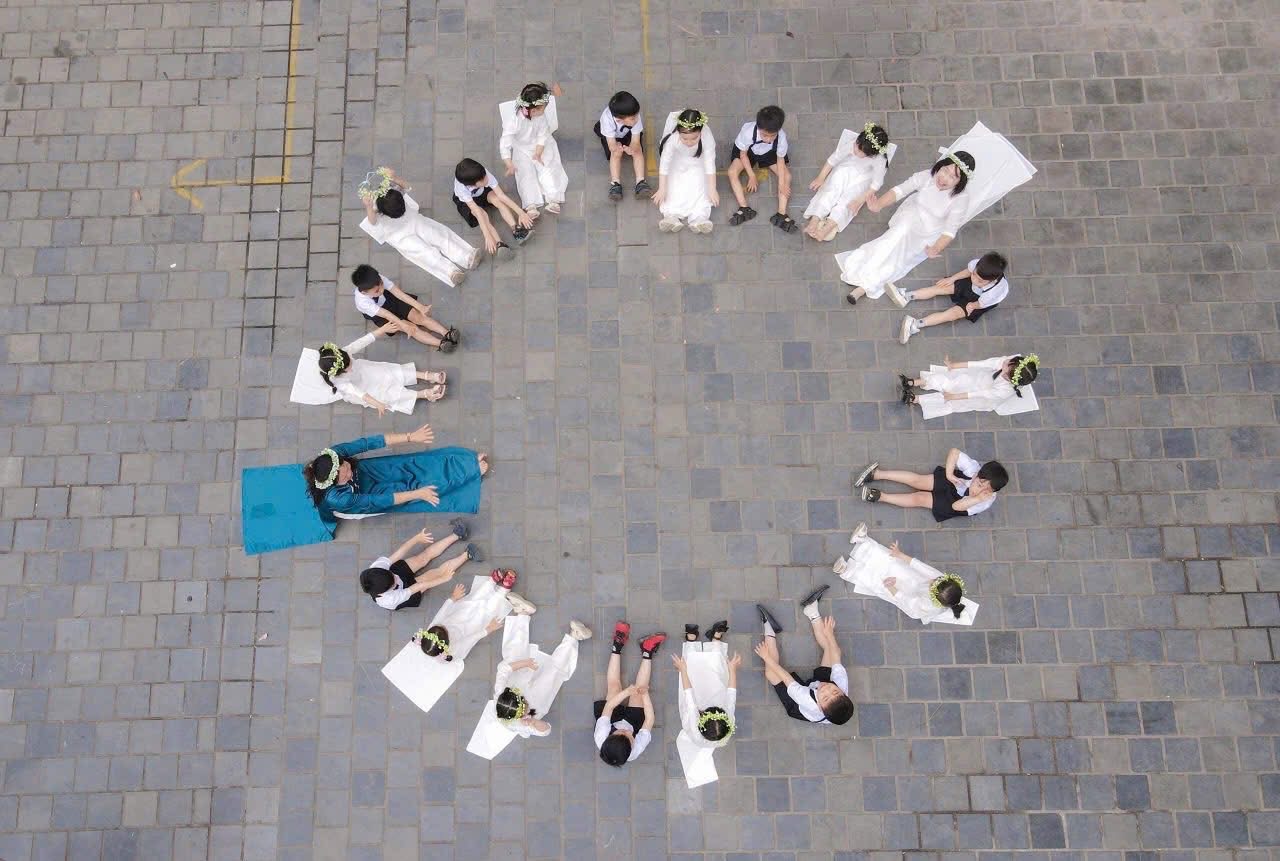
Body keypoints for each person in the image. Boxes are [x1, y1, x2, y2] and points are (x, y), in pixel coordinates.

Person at [381, 572, 535, 716]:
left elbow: (441, 614)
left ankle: (490, 582)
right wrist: (487, 629)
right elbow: (471, 639)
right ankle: (501, 592)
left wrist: (452, 599)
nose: (440, 626)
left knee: (471, 603)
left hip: (457, 616)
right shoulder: (453, 648)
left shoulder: (434, 629)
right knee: (484, 614)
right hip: (468, 630)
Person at [838, 150, 976, 306]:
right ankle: (862, 272)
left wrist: (936, 248)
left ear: (960, 182)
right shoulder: (928, 176)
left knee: (899, 257)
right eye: (945, 170)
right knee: (893, 238)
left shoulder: (961, 199)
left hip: (928, 232)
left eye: (953, 177)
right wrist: (878, 205)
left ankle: (864, 287)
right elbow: (900, 190)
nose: (944, 178)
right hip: (911, 215)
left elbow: (950, 231)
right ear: (941, 165)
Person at [465, 615, 592, 759]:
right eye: (524, 707)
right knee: (554, 674)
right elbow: (546, 730)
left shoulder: (500, 694)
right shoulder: (520, 724)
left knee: (514, 658)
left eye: (522, 701)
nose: (525, 704)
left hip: (520, 682)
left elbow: (504, 669)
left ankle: (522, 616)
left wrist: (525, 663)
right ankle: (574, 638)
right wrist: (532, 722)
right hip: (538, 702)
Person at [302, 425, 489, 520]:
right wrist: (418, 494)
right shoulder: (339, 498)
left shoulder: (334, 454)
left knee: (410, 465)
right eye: (345, 476)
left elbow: (369, 443)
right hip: (364, 496)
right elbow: (380, 501)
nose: (349, 472)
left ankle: (465, 462)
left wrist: (410, 437)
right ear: (335, 482)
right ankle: (470, 473)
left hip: (366, 471)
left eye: (347, 467)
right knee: (415, 489)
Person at [833, 522, 978, 625]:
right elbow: (921, 567)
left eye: (933, 583)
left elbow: (904, 599)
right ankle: (863, 542)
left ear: (934, 596)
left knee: (880, 584)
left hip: (911, 598)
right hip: (917, 582)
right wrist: (899, 554)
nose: (932, 580)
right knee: (895, 563)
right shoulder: (940, 580)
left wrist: (891, 587)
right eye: (936, 580)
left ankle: (848, 571)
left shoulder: (927, 606)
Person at [357, 167, 480, 288]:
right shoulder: (377, 208)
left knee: (437, 236)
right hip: (400, 236)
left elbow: (406, 187)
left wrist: (394, 178)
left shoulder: (393, 193)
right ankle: (450, 272)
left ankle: (466, 257)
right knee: (424, 252)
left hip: (414, 221)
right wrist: (369, 207)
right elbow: (372, 222)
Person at [753, 587, 854, 725]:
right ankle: (812, 611)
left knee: (771, 673)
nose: (827, 690)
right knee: (830, 648)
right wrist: (829, 634)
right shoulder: (840, 683)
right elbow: (836, 653)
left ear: (820, 708)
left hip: (798, 706)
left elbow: (786, 678)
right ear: (842, 692)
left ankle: (769, 629)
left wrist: (766, 657)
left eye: (826, 698)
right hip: (817, 689)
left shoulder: (806, 700)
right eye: (835, 692)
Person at [852, 450, 1007, 522]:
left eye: (985, 490)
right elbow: (954, 453)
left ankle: (880, 497)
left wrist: (977, 498)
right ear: (978, 474)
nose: (979, 490)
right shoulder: (973, 469)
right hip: (954, 481)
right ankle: (876, 474)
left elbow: (957, 506)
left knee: (919, 498)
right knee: (918, 481)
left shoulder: (984, 501)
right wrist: (949, 474)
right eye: (979, 484)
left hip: (957, 503)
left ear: (992, 491)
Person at [315, 332, 447, 416]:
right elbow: (361, 394)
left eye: (349, 361)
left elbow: (361, 342)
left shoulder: (344, 354)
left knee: (389, 371)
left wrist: (382, 329)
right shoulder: (340, 383)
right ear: (340, 372)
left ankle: (425, 376)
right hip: (362, 387)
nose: (351, 364)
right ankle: (424, 394)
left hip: (365, 370)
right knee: (388, 394)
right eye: (348, 366)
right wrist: (377, 404)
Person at [673, 621, 739, 788]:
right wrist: (732, 669)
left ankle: (691, 644)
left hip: (695, 705)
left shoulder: (694, 725)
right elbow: (731, 694)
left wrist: (682, 669)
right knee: (719, 675)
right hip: (717, 699)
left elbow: (689, 695)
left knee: (692, 674)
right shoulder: (726, 724)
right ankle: (715, 642)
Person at [892, 252, 1011, 343]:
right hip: (968, 286)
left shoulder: (995, 292)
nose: (974, 279)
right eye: (974, 274)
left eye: (980, 280)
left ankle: (915, 324)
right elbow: (968, 271)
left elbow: (982, 303)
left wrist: (972, 305)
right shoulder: (978, 265)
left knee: (952, 314)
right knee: (941, 287)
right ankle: (906, 296)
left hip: (978, 302)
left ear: (992, 280)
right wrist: (952, 278)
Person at [359, 520, 478, 610]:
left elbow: (399, 553)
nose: (396, 577)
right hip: (406, 592)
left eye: (392, 575)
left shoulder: (377, 569)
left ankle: (458, 534)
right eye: (393, 581)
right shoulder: (390, 599)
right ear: (388, 588)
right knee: (434, 574)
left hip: (395, 578)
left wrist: (417, 538)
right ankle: (467, 555)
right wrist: (443, 579)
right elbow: (421, 585)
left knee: (422, 557)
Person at [802, 122, 891, 242]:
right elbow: (834, 159)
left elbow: (876, 185)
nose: (854, 148)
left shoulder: (879, 160)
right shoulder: (856, 143)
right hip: (847, 167)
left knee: (849, 201)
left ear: (870, 155)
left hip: (864, 178)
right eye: (856, 144)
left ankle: (827, 227)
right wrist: (821, 177)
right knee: (831, 188)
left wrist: (859, 200)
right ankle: (815, 219)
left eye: (859, 151)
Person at [594, 622, 666, 766]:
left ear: (608, 738)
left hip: (613, 718)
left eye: (619, 733)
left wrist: (626, 692)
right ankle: (647, 651)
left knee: (614, 687)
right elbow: (649, 720)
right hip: (634, 723)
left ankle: (617, 644)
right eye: (628, 736)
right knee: (640, 692)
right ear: (632, 745)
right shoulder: (635, 750)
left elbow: (609, 707)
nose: (625, 731)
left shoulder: (601, 736)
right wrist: (645, 695)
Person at [349, 264, 458, 351]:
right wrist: (402, 325)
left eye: (382, 284)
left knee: (417, 317)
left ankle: (446, 332)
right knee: (411, 328)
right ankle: (441, 344)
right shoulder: (362, 302)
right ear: (364, 292)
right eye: (377, 291)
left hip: (389, 299)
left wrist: (420, 307)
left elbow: (399, 294)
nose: (382, 289)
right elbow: (386, 314)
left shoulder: (377, 280)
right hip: (379, 314)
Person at [499, 81, 569, 215]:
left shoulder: (540, 116)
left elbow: (543, 134)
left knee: (549, 166)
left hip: (540, 145)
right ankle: (531, 204)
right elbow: (505, 143)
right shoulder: (514, 121)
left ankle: (553, 198)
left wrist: (538, 152)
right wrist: (509, 163)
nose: (545, 110)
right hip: (521, 148)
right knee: (525, 173)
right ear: (533, 110)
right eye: (543, 108)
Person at [900, 353, 1040, 419]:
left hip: (982, 396)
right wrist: (954, 365)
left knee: (949, 400)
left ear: (1010, 378)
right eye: (1008, 362)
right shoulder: (1009, 362)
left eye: (1006, 368)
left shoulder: (1004, 391)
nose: (1005, 362)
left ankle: (916, 399)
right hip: (980, 378)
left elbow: (979, 394)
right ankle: (914, 382)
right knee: (951, 379)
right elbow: (983, 364)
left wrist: (954, 397)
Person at [727, 105, 796, 233]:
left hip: (769, 153)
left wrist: (781, 184)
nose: (768, 139)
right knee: (732, 172)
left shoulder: (781, 137)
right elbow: (743, 154)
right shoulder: (748, 132)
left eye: (772, 136)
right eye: (764, 135)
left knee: (787, 176)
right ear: (758, 127)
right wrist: (751, 175)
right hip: (748, 152)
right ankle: (744, 208)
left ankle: (781, 214)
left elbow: (780, 160)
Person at [452, 157, 534, 259]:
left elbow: (501, 195)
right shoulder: (461, 189)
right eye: (482, 179)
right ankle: (499, 243)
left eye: (485, 176)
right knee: (482, 214)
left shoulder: (482, 174)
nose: (486, 179)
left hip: (481, 191)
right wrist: (487, 236)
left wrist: (521, 212)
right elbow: (477, 212)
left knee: (497, 200)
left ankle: (516, 230)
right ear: (472, 184)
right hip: (466, 202)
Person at [654, 109, 719, 234]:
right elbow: (665, 164)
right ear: (678, 133)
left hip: (698, 163)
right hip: (677, 162)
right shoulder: (673, 139)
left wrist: (712, 189)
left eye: (694, 138)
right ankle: (671, 216)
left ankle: (699, 217)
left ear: (700, 132)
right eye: (684, 139)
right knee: (673, 188)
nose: (689, 143)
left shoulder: (707, 138)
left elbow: (709, 164)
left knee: (700, 188)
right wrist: (662, 189)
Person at [594, 91, 652, 202]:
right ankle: (615, 184)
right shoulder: (607, 120)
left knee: (638, 151)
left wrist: (632, 149)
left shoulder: (633, 115)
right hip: (611, 136)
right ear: (619, 120)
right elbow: (611, 145)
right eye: (633, 118)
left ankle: (641, 182)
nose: (637, 119)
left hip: (626, 133)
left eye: (637, 115)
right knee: (615, 153)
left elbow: (635, 142)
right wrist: (616, 147)